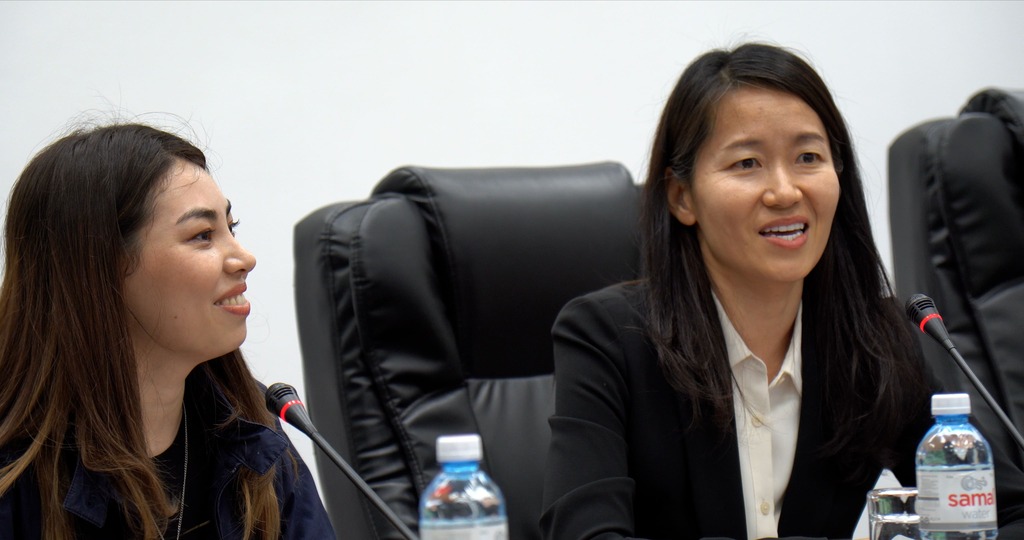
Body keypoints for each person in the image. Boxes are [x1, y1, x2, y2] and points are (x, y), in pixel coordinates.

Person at [540, 43, 1024, 539]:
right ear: (682, 197)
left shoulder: (876, 342)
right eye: (747, 163)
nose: (786, 192)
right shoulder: (609, 338)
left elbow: (1007, 514)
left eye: (807, 157)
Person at [0, 123, 335, 539]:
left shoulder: (253, 432)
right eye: (202, 236)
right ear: (99, 268)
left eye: (232, 228)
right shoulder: (15, 479)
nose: (244, 258)